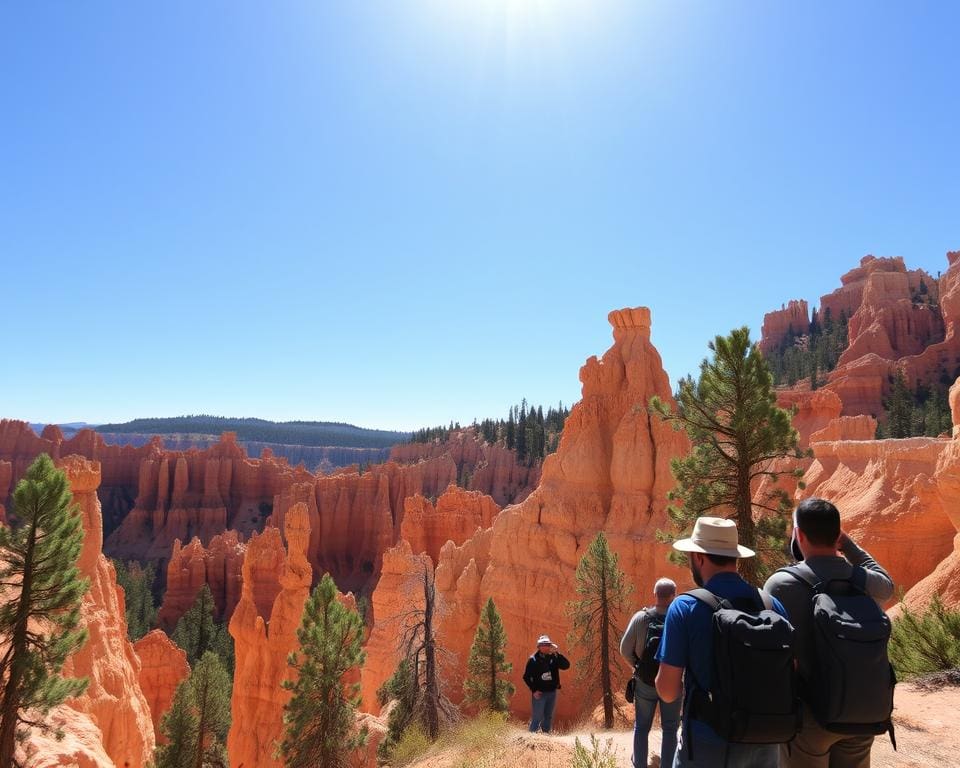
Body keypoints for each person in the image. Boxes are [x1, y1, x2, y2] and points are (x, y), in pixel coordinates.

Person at [764, 498, 895, 768]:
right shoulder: (864, 581)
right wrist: (847, 545)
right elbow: (886, 582)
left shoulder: (781, 584)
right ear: (837, 535)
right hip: (861, 713)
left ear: (798, 535)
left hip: (809, 716)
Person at [655, 516, 787, 767]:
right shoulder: (771, 604)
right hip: (766, 741)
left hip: (708, 743)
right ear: (735, 557)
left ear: (699, 557)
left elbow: (668, 691)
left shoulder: (685, 607)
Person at [621, 578, 680, 768]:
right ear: (674, 595)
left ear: (655, 595)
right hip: (672, 682)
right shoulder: (679, 618)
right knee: (670, 729)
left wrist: (637, 665)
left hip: (645, 681)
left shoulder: (641, 617)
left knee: (642, 728)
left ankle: (639, 765)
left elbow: (624, 648)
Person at [522, 634, 570, 733]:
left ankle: (545, 736)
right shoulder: (533, 660)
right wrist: (534, 690)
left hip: (552, 692)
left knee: (548, 716)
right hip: (540, 693)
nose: (546, 646)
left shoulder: (554, 657)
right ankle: (531, 737)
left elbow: (566, 666)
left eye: (548, 644)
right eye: (544, 644)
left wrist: (557, 653)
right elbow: (526, 677)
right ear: (539, 646)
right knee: (537, 717)